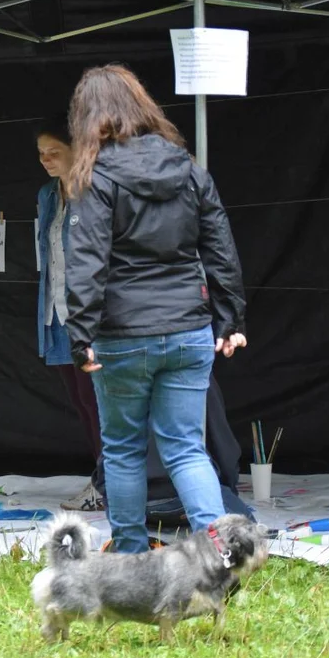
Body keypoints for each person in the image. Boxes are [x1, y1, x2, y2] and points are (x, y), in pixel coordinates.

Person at [64, 64, 248, 554]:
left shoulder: (94, 177)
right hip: (189, 331)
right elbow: (221, 247)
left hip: (122, 336)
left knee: (123, 450)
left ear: (87, 118)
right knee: (188, 449)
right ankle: (220, 554)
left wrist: (79, 337)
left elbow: (86, 265)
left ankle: (128, 556)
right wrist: (230, 319)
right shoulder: (187, 168)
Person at [34, 115, 104, 513]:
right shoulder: (47, 194)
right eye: (41, 153)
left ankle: (112, 483)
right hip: (55, 312)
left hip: (88, 313)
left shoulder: (96, 190)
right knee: (80, 400)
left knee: (99, 400)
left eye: (54, 152)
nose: (46, 160)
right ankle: (102, 478)